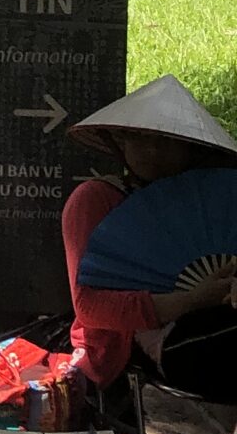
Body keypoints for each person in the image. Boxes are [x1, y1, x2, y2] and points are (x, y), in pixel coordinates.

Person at [61, 77, 237, 394]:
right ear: (120, 142)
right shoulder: (96, 199)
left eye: (167, 141)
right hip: (134, 354)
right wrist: (194, 299)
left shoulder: (214, 204)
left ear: (189, 148)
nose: (153, 151)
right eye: (140, 139)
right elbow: (90, 308)